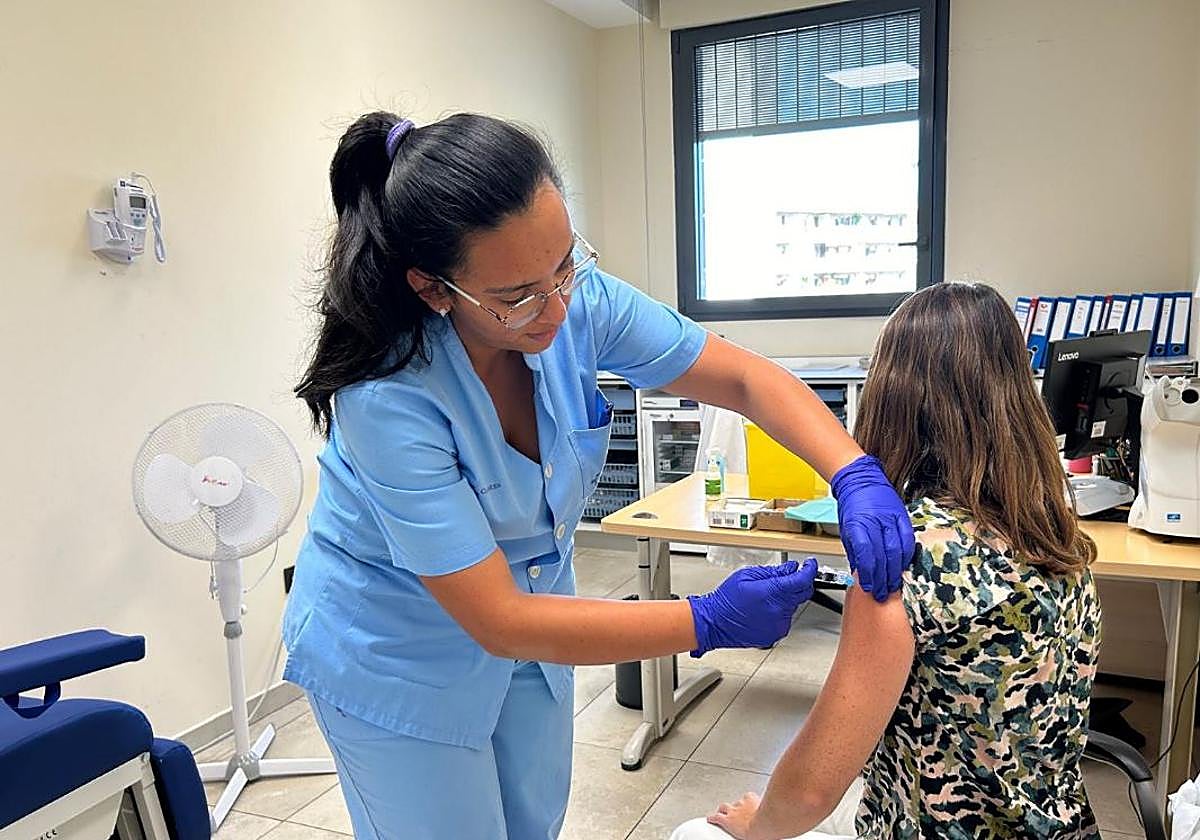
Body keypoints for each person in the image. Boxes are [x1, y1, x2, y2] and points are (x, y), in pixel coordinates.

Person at [282, 110, 915, 840]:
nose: (558, 308)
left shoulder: (577, 299)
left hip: (532, 625)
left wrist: (853, 471)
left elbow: (743, 378)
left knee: (533, 822)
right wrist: (706, 619)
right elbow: (498, 619)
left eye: (565, 265)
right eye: (519, 295)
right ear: (434, 289)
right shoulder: (388, 396)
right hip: (396, 649)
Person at [674, 282, 1102, 840]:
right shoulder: (1061, 538)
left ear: (890, 397)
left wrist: (757, 823)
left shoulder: (903, 563)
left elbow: (808, 794)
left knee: (698, 833)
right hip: (1056, 827)